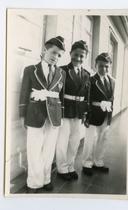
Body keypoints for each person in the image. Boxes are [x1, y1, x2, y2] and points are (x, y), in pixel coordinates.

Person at [19, 36, 66, 193]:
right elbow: (24, 93)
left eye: (59, 55)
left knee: (48, 149)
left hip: (54, 116)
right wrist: (22, 115)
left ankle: (46, 179)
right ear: (44, 50)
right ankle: (33, 182)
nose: (55, 57)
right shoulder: (30, 70)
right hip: (35, 114)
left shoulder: (61, 73)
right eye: (53, 52)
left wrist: (61, 117)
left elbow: (61, 97)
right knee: (34, 149)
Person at [56, 40, 91, 181]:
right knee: (62, 140)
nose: (78, 58)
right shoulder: (62, 70)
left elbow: (87, 95)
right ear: (70, 53)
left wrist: (86, 112)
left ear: (85, 57)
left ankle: (70, 166)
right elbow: (58, 93)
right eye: (76, 54)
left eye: (82, 56)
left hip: (78, 112)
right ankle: (61, 168)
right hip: (65, 109)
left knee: (75, 141)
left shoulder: (87, 74)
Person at [82, 53, 115, 175]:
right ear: (95, 65)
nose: (104, 69)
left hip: (106, 114)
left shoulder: (112, 81)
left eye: (106, 66)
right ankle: (87, 163)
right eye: (101, 66)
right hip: (93, 113)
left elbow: (112, 99)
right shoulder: (91, 80)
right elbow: (87, 98)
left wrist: (110, 115)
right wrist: (86, 114)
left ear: (109, 66)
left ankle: (98, 162)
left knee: (103, 138)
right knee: (91, 139)